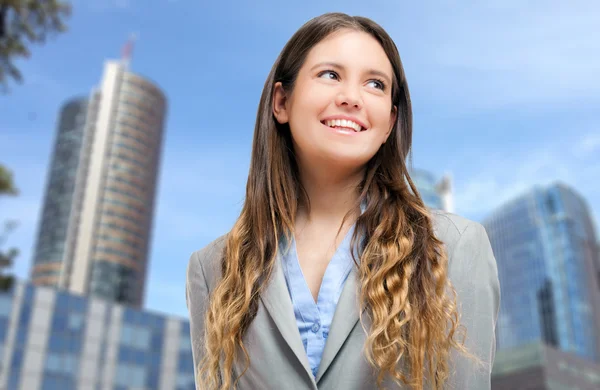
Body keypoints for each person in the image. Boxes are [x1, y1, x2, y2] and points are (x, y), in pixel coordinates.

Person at [186, 12, 500, 390]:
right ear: (281, 101)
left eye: (375, 84)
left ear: (389, 121)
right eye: (330, 75)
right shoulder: (213, 269)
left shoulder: (453, 247)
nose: (351, 98)